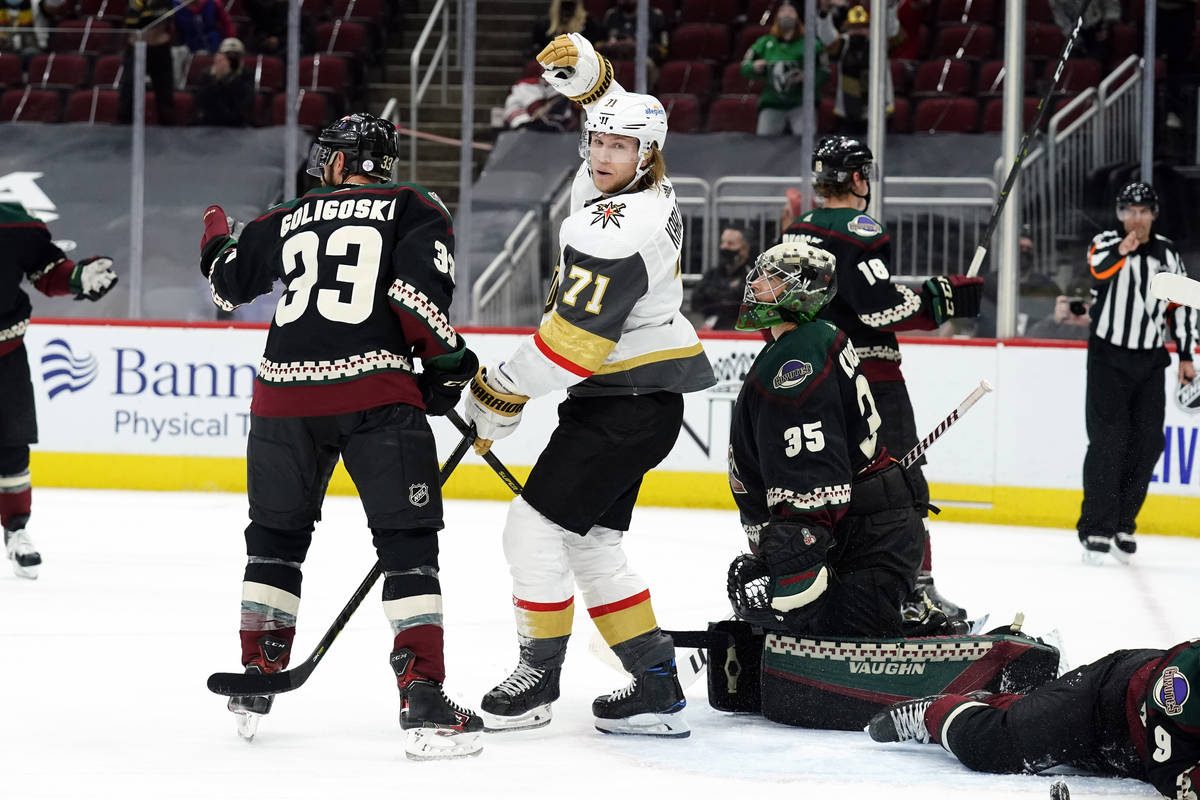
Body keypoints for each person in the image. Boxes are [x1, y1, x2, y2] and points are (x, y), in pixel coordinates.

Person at [199, 112, 484, 759]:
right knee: (407, 544)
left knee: (274, 537)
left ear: (335, 160)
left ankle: (260, 670)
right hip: (375, 398)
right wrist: (446, 367)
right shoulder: (413, 206)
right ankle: (422, 692)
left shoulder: (286, 216)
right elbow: (419, 301)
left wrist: (216, 230)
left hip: (282, 401)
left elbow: (227, 283)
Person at [465, 32, 715, 738]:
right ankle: (656, 684)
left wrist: (499, 393)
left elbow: (569, 349)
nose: (604, 154)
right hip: (637, 399)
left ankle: (538, 678)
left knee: (531, 529)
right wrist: (590, 73)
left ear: (648, 155)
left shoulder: (619, 226)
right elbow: (613, 105)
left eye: (619, 147)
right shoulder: (644, 182)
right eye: (597, 141)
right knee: (592, 543)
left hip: (624, 404)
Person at [780, 135, 984, 627]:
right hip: (870, 376)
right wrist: (944, 298)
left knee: (829, 484)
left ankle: (821, 583)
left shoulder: (796, 231)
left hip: (815, 376)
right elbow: (880, 308)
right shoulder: (860, 228)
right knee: (900, 482)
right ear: (855, 178)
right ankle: (915, 592)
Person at [726, 241, 925, 637]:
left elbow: (811, 473)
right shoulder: (813, 338)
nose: (756, 284)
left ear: (802, 290)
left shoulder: (796, 357)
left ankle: (927, 630)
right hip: (861, 534)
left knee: (832, 670)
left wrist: (796, 547)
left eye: (771, 278)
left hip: (859, 545)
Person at [867, 638, 1200, 800]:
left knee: (1032, 724)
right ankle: (932, 713)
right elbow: (1172, 774)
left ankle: (1002, 705)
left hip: (1143, 743)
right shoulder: (1182, 685)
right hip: (1103, 703)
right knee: (994, 746)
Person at [1077, 181, 1196, 565]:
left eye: (1143, 211)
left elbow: (1184, 306)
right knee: (1108, 441)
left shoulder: (1167, 252)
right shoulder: (1106, 243)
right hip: (1108, 357)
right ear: (1119, 214)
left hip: (1150, 358)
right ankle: (1096, 526)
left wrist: (1186, 356)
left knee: (1147, 443)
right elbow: (1098, 271)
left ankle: (1123, 522)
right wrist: (1124, 248)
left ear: (1154, 215)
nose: (1136, 219)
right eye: (1130, 211)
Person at [0, 202, 118, 580]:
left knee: (12, 446)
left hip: (5, 354)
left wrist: (78, 277)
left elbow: (47, 270)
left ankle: (16, 529)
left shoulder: (13, 223)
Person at [740, 2, 836, 136]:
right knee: (763, 144)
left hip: (802, 104)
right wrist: (754, 67)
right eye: (783, 11)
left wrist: (807, 76)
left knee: (804, 143)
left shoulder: (811, 43)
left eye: (791, 11)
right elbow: (744, 66)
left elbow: (825, 71)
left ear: (798, 17)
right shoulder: (764, 43)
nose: (786, 14)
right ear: (777, 16)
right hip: (772, 103)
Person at [825, 4, 898, 135]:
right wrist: (825, 14)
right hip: (848, 113)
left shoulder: (880, 43)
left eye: (863, 27)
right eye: (853, 28)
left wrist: (890, 9)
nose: (858, 31)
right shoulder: (842, 44)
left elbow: (892, 30)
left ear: (870, 28)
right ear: (847, 30)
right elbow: (826, 36)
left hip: (878, 112)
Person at [118, 0, 176, 126]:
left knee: (165, 98)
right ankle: (124, 133)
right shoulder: (134, 2)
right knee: (128, 93)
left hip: (159, 50)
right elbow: (131, 25)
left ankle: (168, 135)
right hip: (136, 49)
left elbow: (159, 26)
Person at [691, 226, 755, 330]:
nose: (724, 247)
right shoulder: (712, 274)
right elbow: (696, 301)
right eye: (723, 242)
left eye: (730, 244)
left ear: (744, 249)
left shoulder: (752, 276)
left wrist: (715, 297)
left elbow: (740, 306)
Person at [195, 37, 253, 127]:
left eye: (236, 56)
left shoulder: (246, 75)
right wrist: (217, 79)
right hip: (209, 122)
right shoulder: (207, 74)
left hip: (237, 123)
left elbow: (244, 104)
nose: (232, 60)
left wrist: (230, 78)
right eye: (228, 56)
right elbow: (201, 102)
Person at [500, 72, 578, 132]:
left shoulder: (561, 88)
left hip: (542, 126)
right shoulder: (527, 84)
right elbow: (536, 113)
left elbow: (570, 120)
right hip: (522, 124)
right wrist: (555, 101)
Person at [598, 0, 670, 64]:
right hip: (614, 58)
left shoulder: (655, 16)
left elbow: (663, 50)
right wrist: (610, 45)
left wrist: (637, 47)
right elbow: (598, 45)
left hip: (644, 60)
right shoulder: (612, 15)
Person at [529, 0, 603, 59]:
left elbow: (593, 47)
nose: (566, 12)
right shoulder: (544, 24)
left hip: (580, 61)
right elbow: (538, 48)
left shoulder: (588, 22)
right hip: (551, 61)